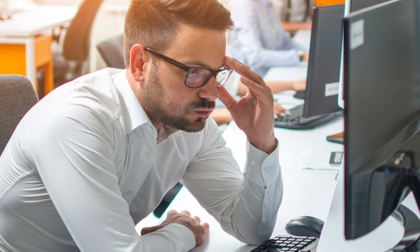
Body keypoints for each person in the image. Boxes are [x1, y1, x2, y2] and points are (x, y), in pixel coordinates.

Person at [0, 0, 283, 251]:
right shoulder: (75, 123)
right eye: (194, 72)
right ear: (139, 64)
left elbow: (252, 230)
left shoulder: (190, 124)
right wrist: (181, 232)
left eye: (216, 72)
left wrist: (261, 140)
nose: (210, 93)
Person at [230, 0, 310, 78]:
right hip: (256, 80)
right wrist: (300, 57)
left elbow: (284, 41)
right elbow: (255, 56)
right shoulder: (244, 7)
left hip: (273, 72)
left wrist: (310, 53)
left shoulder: (267, 4)